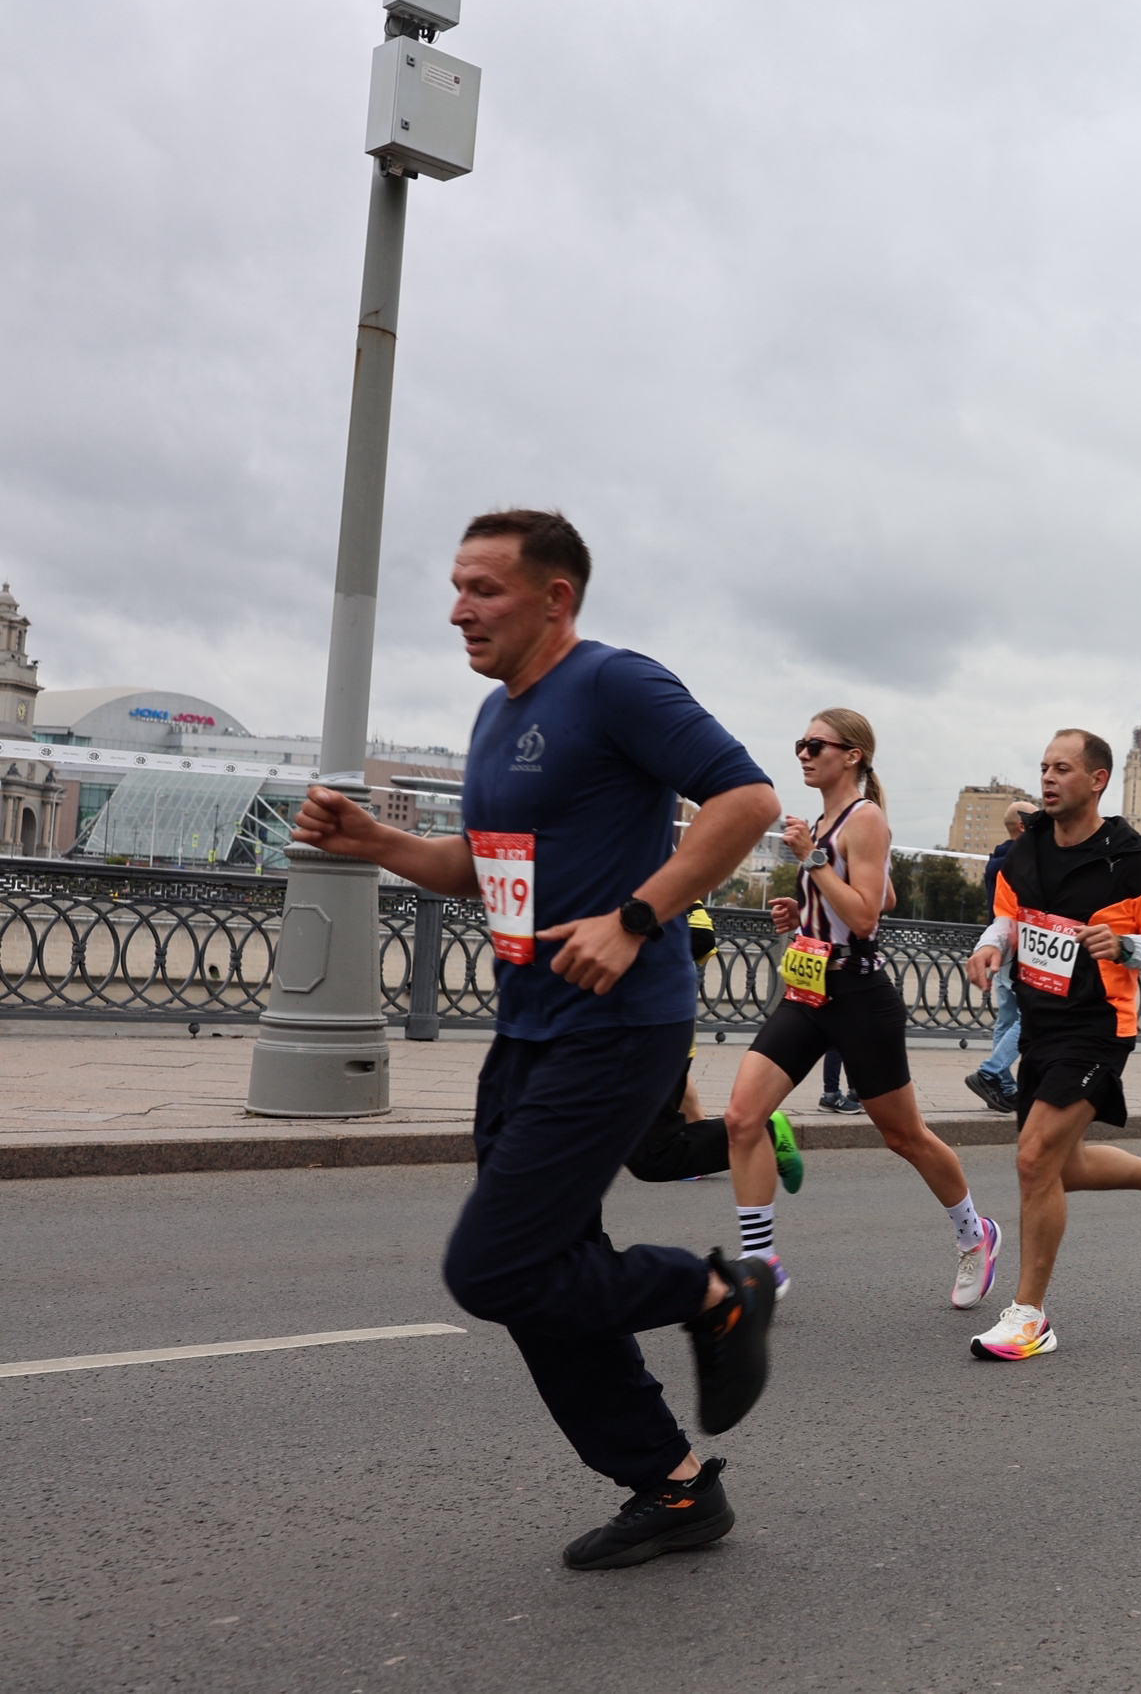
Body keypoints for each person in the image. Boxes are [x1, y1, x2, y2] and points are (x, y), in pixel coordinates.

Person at [291, 508, 782, 1569]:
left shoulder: (615, 683)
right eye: (457, 587)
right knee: (545, 1272)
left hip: (618, 1024)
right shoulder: (490, 715)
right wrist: (375, 840)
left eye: (486, 588)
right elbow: (482, 866)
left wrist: (634, 916)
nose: (461, 608)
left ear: (555, 597)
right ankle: (673, 1484)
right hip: (529, 1026)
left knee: (493, 1267)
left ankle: (713, 1293)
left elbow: (747, 799)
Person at [719, 709, 1002, 1309]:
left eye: (815, 744)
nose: (803, 752)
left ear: (852, 755)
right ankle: (760, 1261)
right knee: (743, 1117)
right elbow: (883, 894)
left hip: (859, 997)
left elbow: (870, 918)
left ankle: (975, 1237)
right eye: (800, 743)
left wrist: (813, 862)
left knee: (904, 1136)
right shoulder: (823, 821)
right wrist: (801, 914)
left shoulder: (864, 819)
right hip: (809, 990)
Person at [963, 730, 1141, 1360]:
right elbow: (1009, 915)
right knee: (1060, 1167)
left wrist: (1129, 947)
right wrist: (991, 944)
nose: (1047, 778)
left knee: (1032, 1160)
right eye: (1043, 767)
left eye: (1062, 768)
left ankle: (1029, 1317)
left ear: (1097, 779)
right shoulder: (1027, 850)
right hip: (1041, 1023)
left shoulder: (1135, 861)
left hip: (1099, 1026)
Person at [621, 904, 808, 1189]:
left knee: (652, 1154)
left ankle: (764, 1130)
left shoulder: (658, 870)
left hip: (647, 1028)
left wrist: (623, 943)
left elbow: (702, 937)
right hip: (594, 1027)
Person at [965, 801, 1038, 1112]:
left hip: (1000, 949)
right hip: (1022, 950)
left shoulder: (995, 860)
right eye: (1036, 821)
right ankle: (992, 1073)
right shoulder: (1023, 861)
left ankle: (1005, 1087)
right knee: (1030, 1018)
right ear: (1023, 826)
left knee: (1007, 1019)